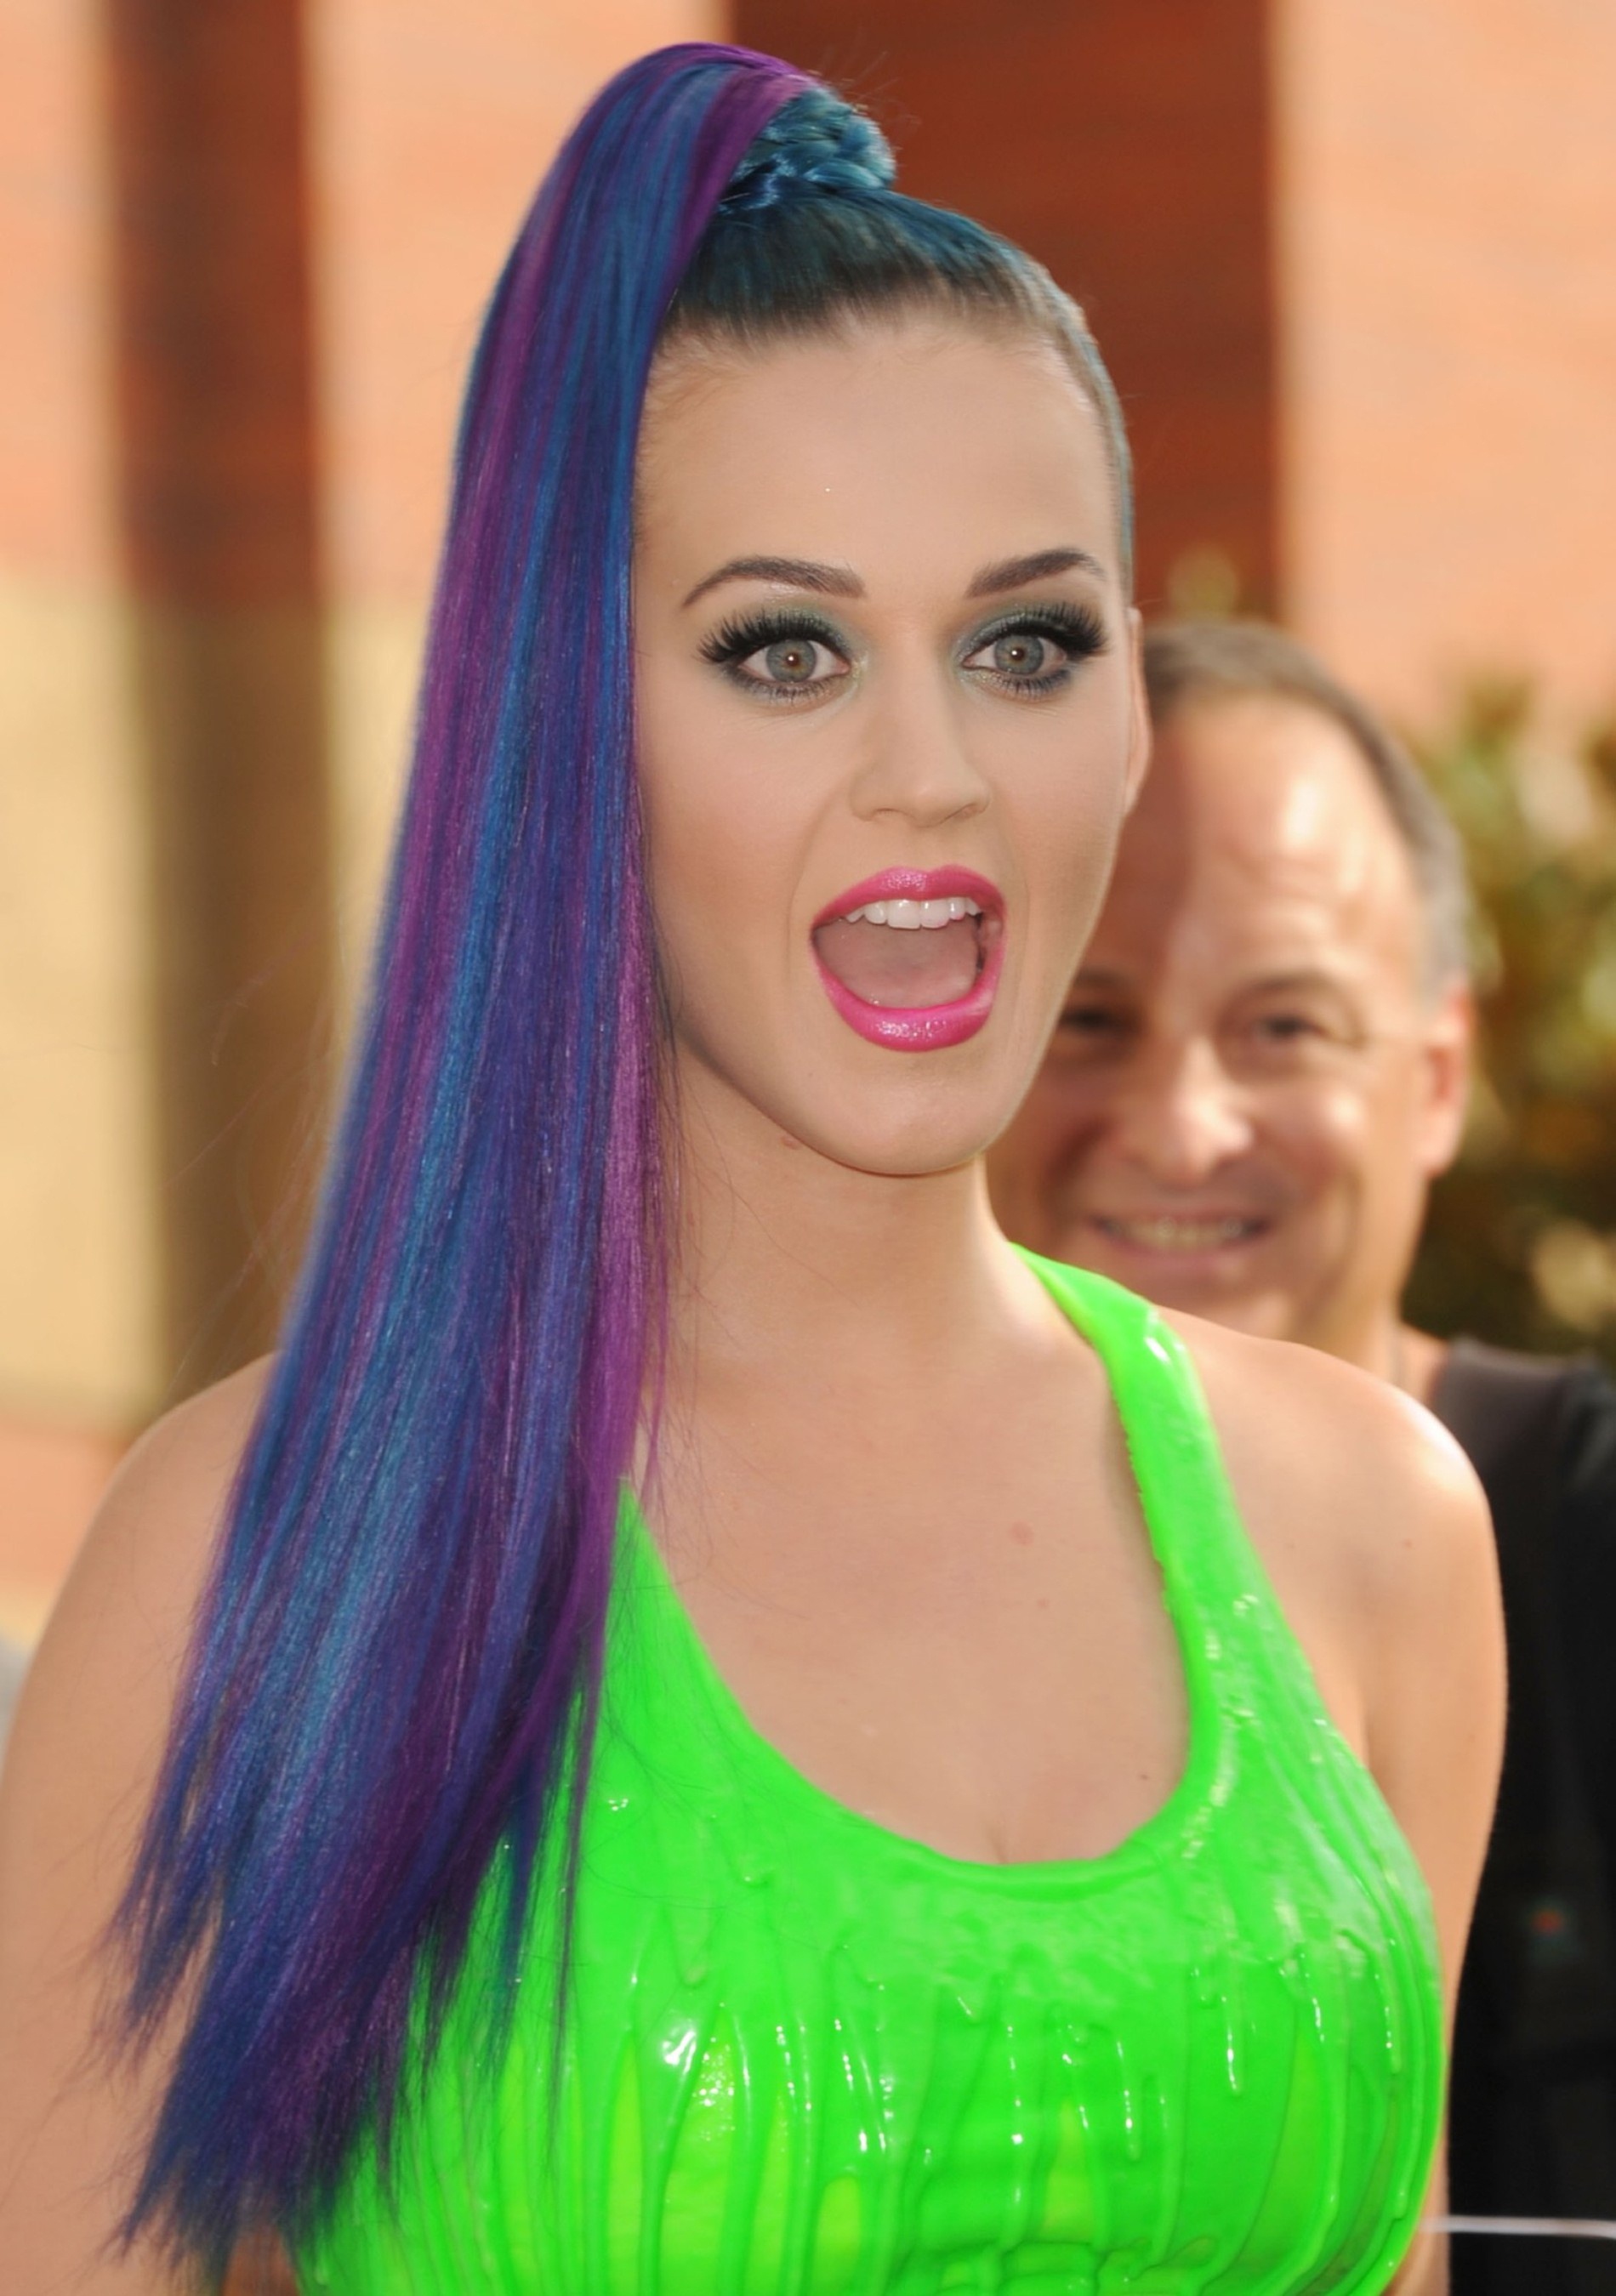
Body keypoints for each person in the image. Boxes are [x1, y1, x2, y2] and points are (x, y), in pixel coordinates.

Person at [0, 52, 1501, 2296]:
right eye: (782, 651)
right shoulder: (252, 1574)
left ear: (1125, 715)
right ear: (574, 732)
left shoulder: (1372, 1531)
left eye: (1023, 643)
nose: (930, 774)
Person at [989, 614, 1616, 2291]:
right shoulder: (808, 1597)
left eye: (1282, 1026)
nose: (1180, 1128)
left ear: (1438, 1078)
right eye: (1088, 1019)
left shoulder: (1586, 1540)